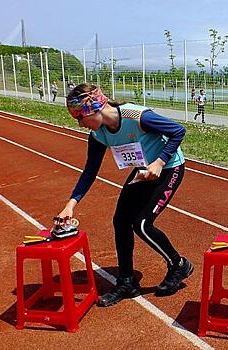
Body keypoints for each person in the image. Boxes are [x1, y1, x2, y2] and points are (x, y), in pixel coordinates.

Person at [58, 83, 193, 307]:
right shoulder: (98, 135)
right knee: (120, 221)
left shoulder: (138, 116)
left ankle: (178, 265)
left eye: (80, 118)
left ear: (93, 110)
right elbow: (90, 171)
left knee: (142, 224)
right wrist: (71, 204)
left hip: (169, 167)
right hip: (142, 171)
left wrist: (159, 162)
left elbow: (178, 131)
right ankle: (127, 282)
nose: (81, 124)